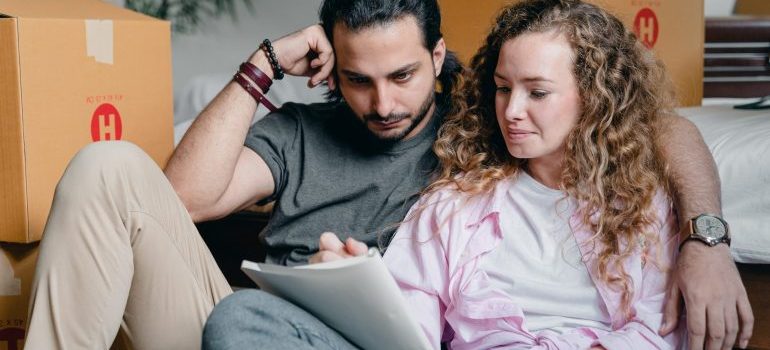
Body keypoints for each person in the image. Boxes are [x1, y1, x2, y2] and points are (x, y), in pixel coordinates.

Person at [25, 0, 749, 349]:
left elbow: (658, 123)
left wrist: (707, 238)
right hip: (263, 329)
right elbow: (180, 199)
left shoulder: (484, 115)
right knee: (109, 166)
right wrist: (266, 65)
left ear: (438, 58)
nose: (383, 103)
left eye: (402, 75)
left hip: (374, 339)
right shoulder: (305, 129)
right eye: (357, 79)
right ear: (332, 71)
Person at [382, 0, 688, 347]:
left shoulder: (644, 205)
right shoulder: (452, 206)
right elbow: (403, 326)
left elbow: (661, 332)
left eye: (537, 93)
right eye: (503, 88)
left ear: (595, 97)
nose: (512, 111)